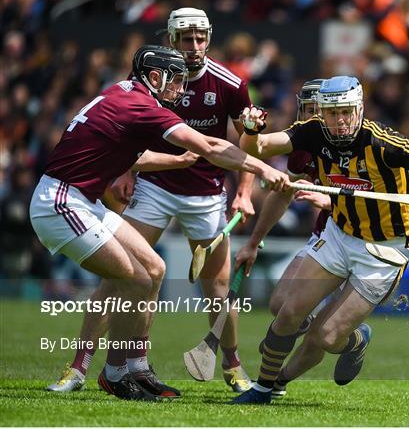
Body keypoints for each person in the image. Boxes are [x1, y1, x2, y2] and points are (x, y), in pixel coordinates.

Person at [31, 44, 288, 402]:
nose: (181, 92)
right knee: (133, 279)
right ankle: (115, 371)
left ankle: (136, 367)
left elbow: (141, 154)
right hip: (59, 203)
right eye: (177, 83)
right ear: (155, 77)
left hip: (84, 200)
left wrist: (180, 161)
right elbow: (212, 148)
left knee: (154, 267)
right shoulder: (142, 106)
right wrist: (262, 168)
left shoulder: (123, 93)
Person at [231, 75, 409, 404]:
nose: (340, 121)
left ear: (359, 109)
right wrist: (252, 130)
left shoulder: (383, 143)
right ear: (322, 113)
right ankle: (262, 388)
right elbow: (257, 148)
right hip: (339, 235)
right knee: (288, 311)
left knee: (325, 336)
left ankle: (344, 346)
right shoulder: (311, 132)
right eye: (332, 113)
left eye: (347, 112)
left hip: (385, 250)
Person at [233, 79, 331, 398]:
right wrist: (253, 241)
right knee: (279, 305)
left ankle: (275, 381)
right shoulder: (302, 144)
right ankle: (341, 335)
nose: (310, 115)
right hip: (326, 235)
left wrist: (332, 202)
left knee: (322, 332)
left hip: (364, 237)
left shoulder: (359, 141)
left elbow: (381, 196)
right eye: (308, 108)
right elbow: (280, 188)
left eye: (318, 109)